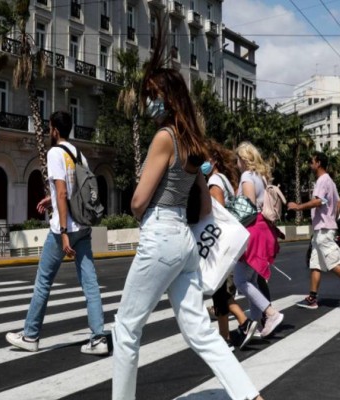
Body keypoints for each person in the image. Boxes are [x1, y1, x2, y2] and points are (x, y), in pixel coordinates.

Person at [112, 12, 263, 400]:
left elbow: (138, 200)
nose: (146, 102)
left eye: (150, 96)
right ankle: (249, 395)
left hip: (161, 234)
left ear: (164, 98)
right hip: (185, 243)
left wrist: (137, 208)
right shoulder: (193, 144)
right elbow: (207, 210)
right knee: (199, 329)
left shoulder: (164, 137)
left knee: (126, 328)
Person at [5, 110, 108, 355]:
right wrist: (50, 199)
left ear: (54, 129)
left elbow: (63, 192)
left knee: (43, 282)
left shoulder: (54, 153)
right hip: (83, 227)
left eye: (48, 127)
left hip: (64, 229)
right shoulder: (79, 154)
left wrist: (62, 232)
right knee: (90, 284)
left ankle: (30, 335)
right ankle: (98, 338)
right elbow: (74, 191)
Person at [288, 152, 340, 310]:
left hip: (324, 230)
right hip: (322, 228)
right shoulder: (330, 182)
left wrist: (298, 207)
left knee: (332, 264)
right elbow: (339, 202)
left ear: (318, 163)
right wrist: (331, 217)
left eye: (311, 161)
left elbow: (318, 201)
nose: (310, 164)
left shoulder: (322, 180)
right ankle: (312, 298)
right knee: (315, 264)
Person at [202, 140, 259, 350]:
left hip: (220, 244)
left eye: (204, 158)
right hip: (228, 243)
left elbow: (217, 212)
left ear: (213, 160)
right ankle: (225, 338)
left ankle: (244, 323)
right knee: (220, 293)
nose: (201, 162)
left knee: (221, 293)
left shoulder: (214, 181)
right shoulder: (224, 178)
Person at [233, 141, 283, 338]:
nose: (236, 163)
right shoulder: (260, 177)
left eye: (237, 159)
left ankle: (271, 313)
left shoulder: (247, 176)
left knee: (240, 280)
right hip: (264, 229)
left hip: (252, 230)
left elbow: (248, 209)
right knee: (251, 279)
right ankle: (255, 325)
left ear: (243, 159)